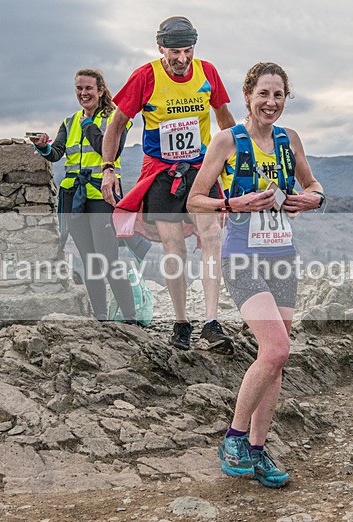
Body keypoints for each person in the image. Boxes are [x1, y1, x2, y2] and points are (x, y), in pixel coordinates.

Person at [187, 62, 326, 488]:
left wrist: (314, 200)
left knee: (276, 360)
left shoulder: (290, 140)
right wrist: (232, 205)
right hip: (242, 256)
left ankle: (258, 450)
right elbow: (195, 199)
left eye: (279, 95)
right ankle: (233, 437)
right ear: (248, 95)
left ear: (286, 99)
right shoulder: (228, 141)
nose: (271, 103)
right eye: (263, 94)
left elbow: (313, 184)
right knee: (278, 348)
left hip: (282, 255)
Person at [100, 16, 236, 353]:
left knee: (212, 238)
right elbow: (117, 126)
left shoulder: (208, 72)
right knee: (174, 248)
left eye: (187, 51)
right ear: (160, 48)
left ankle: (210, 322)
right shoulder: (145, 76)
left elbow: (226, 122)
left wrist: (235, 167)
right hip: (160, 174)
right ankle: (181, 322)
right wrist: (108, 168)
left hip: (200, 171)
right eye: (174, 52)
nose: (181, 59)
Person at [30, 68, 138, 324]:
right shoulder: (69, 122)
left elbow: (108, 150)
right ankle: (100, 316)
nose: (83, 93)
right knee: (89, 261)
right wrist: (43, 146)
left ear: (100, 90)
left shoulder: (116, 119)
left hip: (103, 197)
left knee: (108, 259)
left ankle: (131, 317)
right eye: (79, 88)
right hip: (75, 198)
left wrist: (89, 124)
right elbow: (57, 153)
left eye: (88, 88)